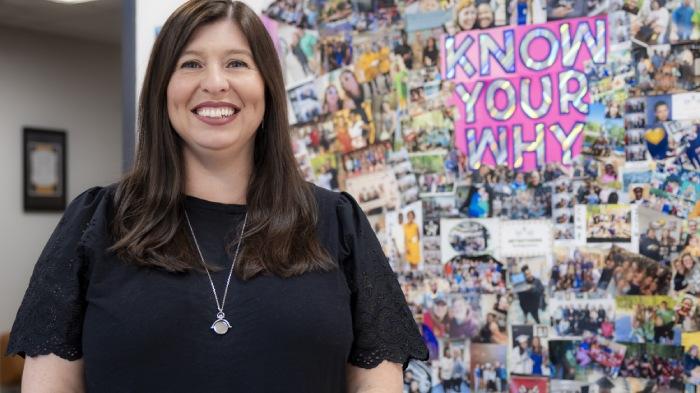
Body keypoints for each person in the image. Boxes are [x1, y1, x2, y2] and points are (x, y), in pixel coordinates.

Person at [4, 1, 428, 391]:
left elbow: (374, 385)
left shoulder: (338, 223)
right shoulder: (95, 222)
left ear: (267, 88)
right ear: (162, 90)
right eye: (190, 64)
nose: (215, 83)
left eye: (237, 63)